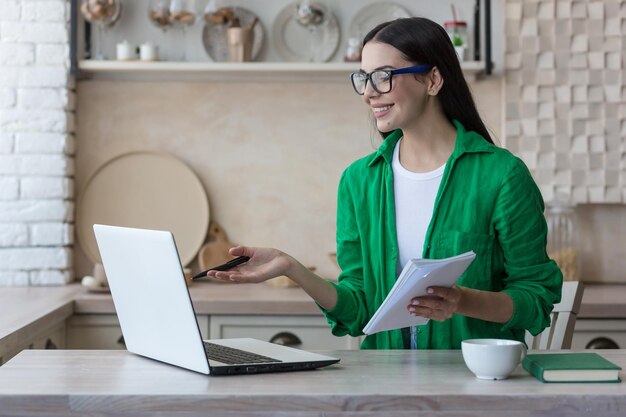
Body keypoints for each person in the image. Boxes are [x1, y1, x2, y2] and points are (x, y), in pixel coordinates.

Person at [205, 17, 563, 349]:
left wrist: (461, 301)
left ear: (433, 80)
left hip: (473, 380)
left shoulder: (501, 176)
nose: (368, 93)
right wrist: (292, 268)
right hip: (386, 381)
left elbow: (535, 298)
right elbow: (359, 310)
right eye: (363, 78)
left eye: (383, 76)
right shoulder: (359, 181)